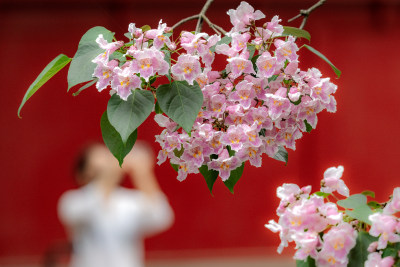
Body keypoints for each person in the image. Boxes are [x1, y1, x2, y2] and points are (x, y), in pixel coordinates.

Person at [58, 141, 174, 267]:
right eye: (101, 156)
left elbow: (161, 217)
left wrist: (143, 173)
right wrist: (110, 173)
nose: (109, 158)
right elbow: (87, 209)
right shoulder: (73, 200)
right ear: (83, 173)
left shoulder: (129, 201)